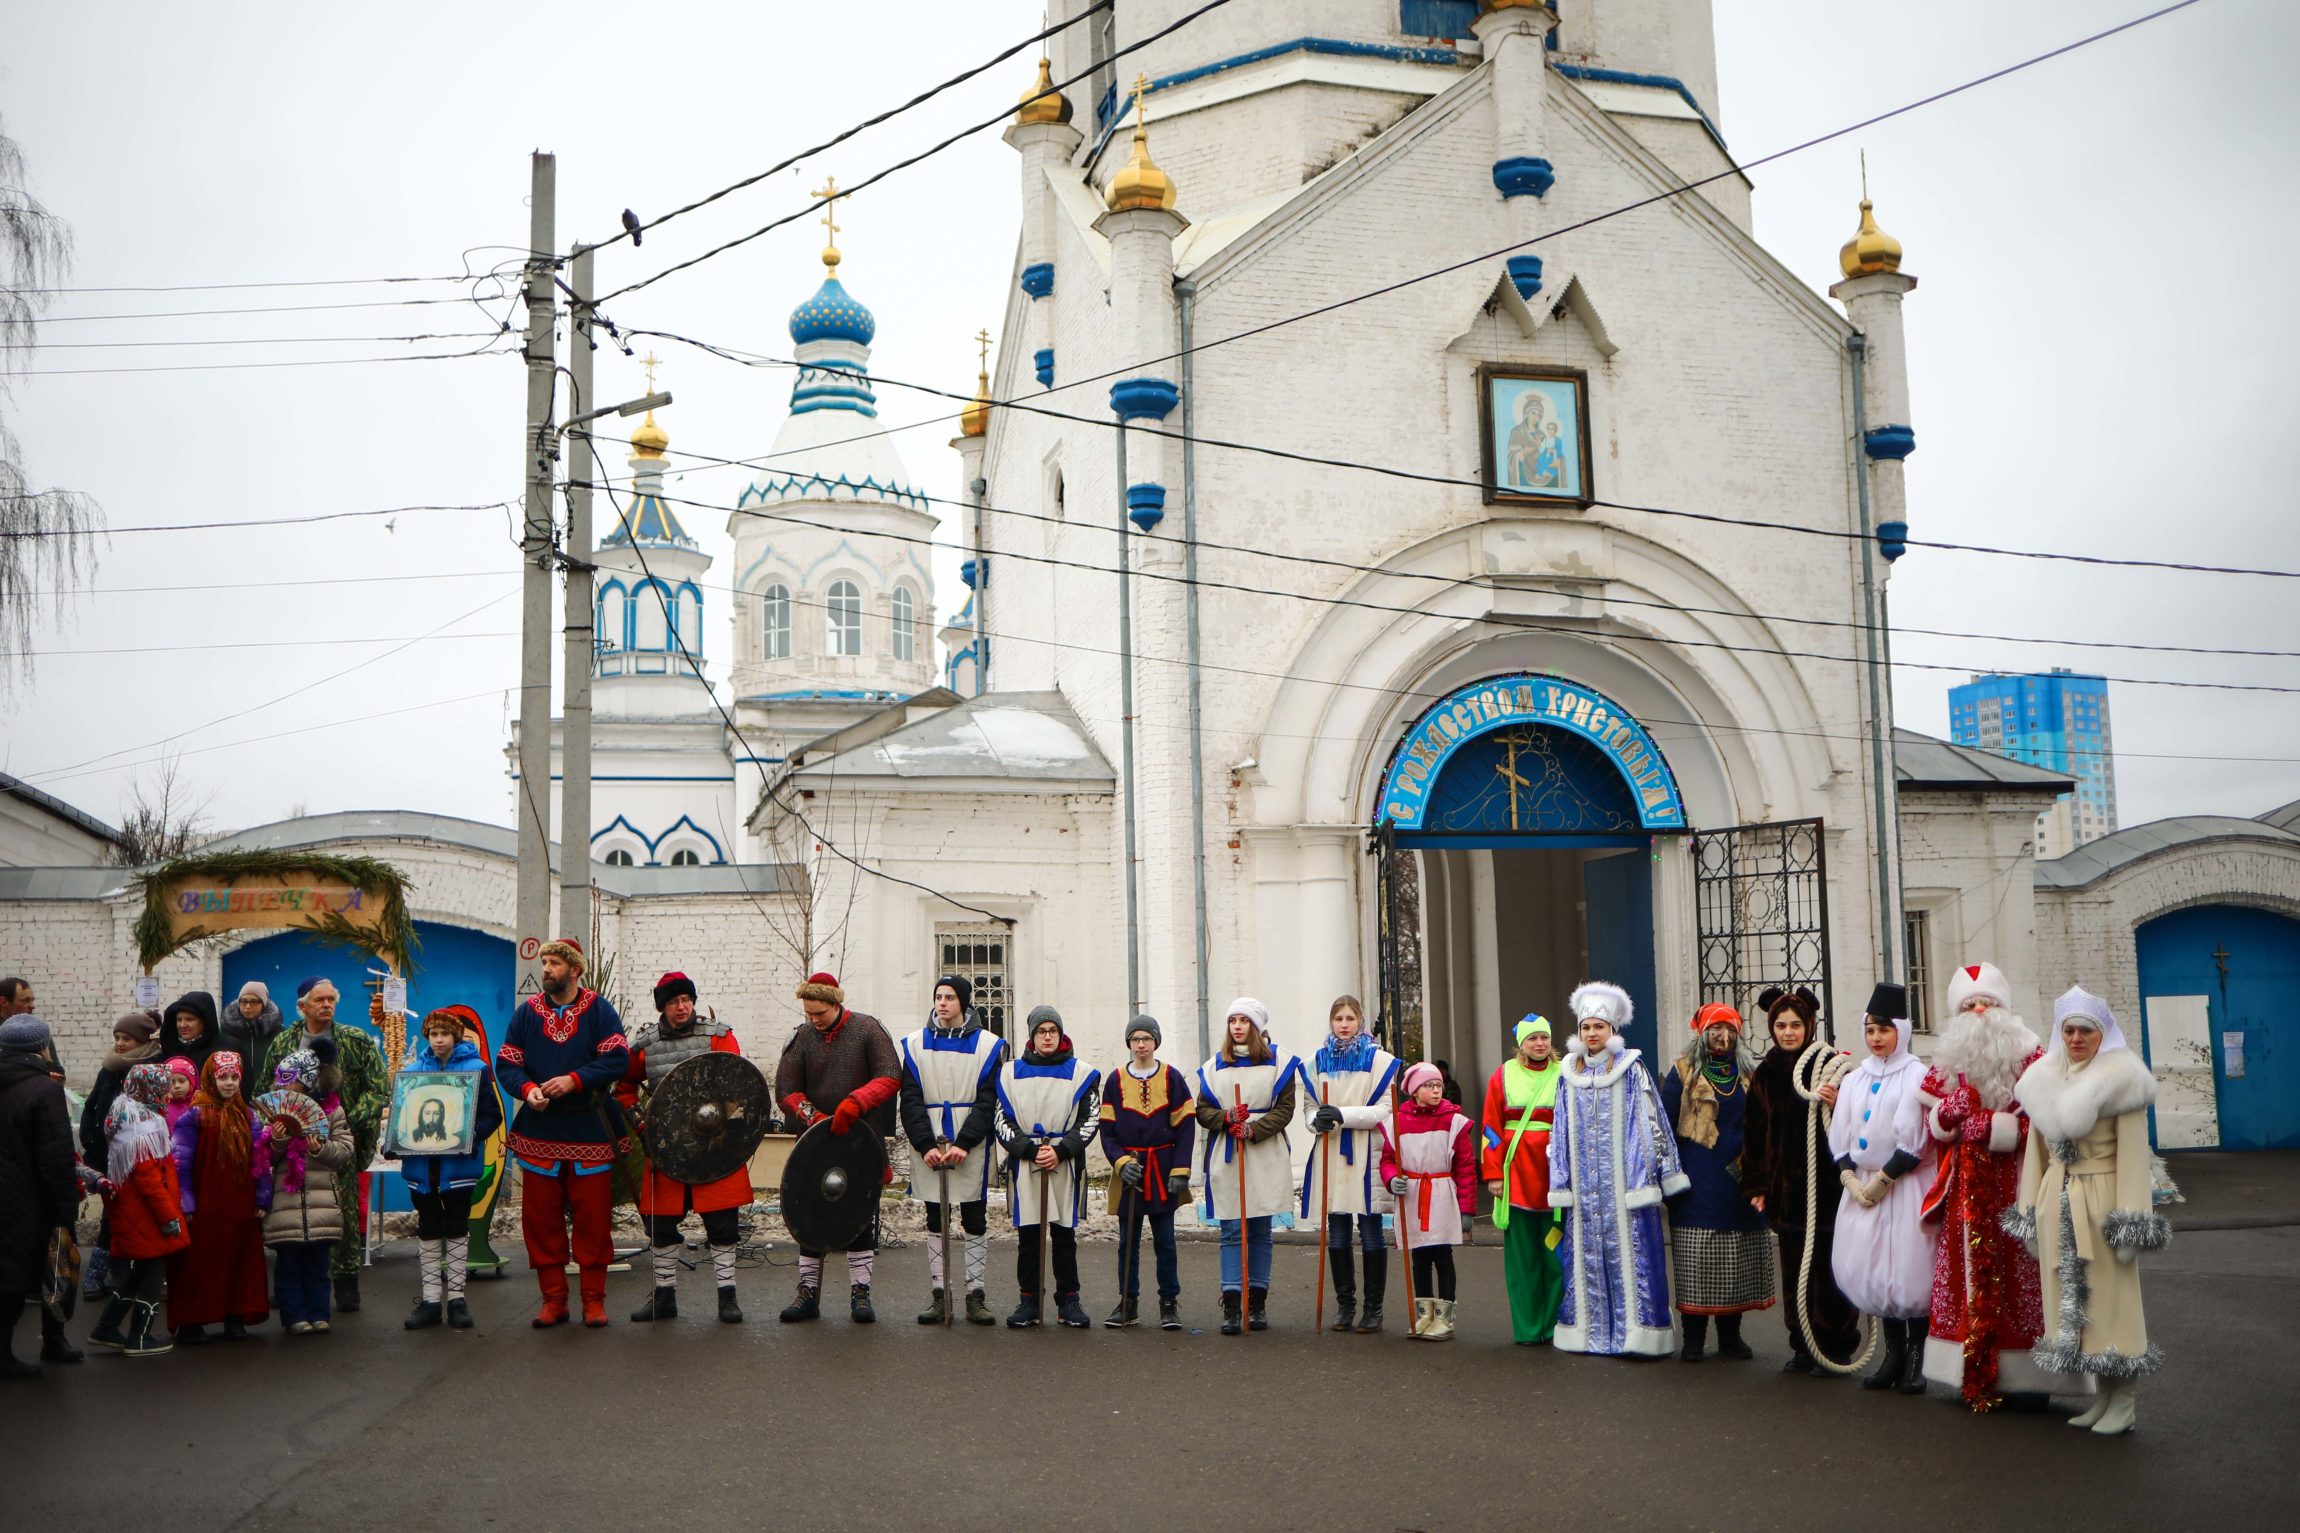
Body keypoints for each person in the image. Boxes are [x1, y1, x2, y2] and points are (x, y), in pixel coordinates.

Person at [2006, 986, 2168, 1436]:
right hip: (2056, 1202)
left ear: (2103, 1034)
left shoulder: (2122, 1081)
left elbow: (2133, 1158)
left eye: (2086, 1031)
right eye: (2069, 1030)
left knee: (2113, 1300)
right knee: (2077, 1307)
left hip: (2102, 1201)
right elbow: (2036, 1156)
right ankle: (2104, 1397)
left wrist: (2130, 1223)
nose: (2076, 1038)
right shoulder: (2042, 1079)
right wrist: (2030, 1209)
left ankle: (2125, 1399)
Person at [1917, 961, 2052, 1409]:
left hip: (2019, 1181)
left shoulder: (2032, 1055)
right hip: (1966, 1187)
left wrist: (1997, 1128)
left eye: (1986, 1003)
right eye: (1969, 1005)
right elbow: (1932, 1125)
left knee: (2023, 1274)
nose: (1978, 1012)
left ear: (2004, 1009)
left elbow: (2049, 1119)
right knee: (1967, 1271)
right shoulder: (1948, 1060)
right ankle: (1969, 1369)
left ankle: (2030, 1378)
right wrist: (1947, 1115)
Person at [490, 940, 631, 1328]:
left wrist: (574, 1080)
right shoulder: (527, 1013)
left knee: (593, 1219)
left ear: (575, 970)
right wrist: (527, 1090)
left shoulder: (599, 1010)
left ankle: (593, 1302)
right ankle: (554, 1301)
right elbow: (508, 1063)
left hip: (590, 1128)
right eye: (545, 962)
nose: (546, 969)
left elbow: (617, 1059)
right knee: (540, 1218)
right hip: (541, 1129)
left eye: (554, 962)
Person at [1548, 981, 1686, 1358]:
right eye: (1586, 1027)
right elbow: (1559, 1128)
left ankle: (1638, 1336)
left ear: (1612, 1030)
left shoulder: (1631, 1070)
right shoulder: (1568, 1074)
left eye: (1599, 1027)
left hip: (1625, 1186)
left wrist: (1645, 1178)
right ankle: (1588, 1334)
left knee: (1634, 1259)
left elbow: (1648, 1123)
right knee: (1586, 1260)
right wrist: (1561, 1180)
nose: (1592, 1034)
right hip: (1584, 1191)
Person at [619, 972, 755, 1325]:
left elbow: (738, 1082)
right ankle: (664, 1297)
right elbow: (624, 1089)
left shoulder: (718, 1036)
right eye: (673, 1002)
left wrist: (730, 1129)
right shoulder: (645, 1045)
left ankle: (727, 1297)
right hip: (668, 1148)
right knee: (660, 1225)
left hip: (715, 1146)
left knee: (723, 1225)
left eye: (686, 1000)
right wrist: (643, 1125)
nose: (681, 1007)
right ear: (662, 1007)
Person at [1743, 985, 1860, 1374]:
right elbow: (1754, 1133)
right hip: (1787, 1191)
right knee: (1796, 1271)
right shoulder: (1766, 1074)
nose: (1788, 1032)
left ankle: (1836, 1345)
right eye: (1781, 1025)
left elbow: (1861, 1122)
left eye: (1795, 1024)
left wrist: (1839, 1103)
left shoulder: (1832, 1067)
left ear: (1809, 1024)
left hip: (1829, 1189)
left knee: (1831, 1270)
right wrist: (1757, 1185)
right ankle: (1803, 1345)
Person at [773, 971, 900, 1325]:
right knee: (808, 1216)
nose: (814, 1019)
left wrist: (855, 1103)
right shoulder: (802, 1037)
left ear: (835, 1004)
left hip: (860, 1139)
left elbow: (890, 1075)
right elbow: (786, 1089)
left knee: (858, 1216)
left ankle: (861, 1293)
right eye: (808, 1013)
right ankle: (807, 1293)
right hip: (815, 1142)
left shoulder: (867, 1029)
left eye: (819, 1013)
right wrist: (813, 1117)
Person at [1827, 983, 1934, 1393]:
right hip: (1862, 1185)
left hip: (1903, 1186)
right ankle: (1893, 1354)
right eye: (1870, 1030)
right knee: (1875, 1269)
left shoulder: (1917, 1075)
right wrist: (1850, 1178)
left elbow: (1917, 1140)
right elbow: (1841, 1133)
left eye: (1885, 1029)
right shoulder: (1856, 1079)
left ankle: (1917, 1359)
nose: (1876, 1038)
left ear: (1901, 1031)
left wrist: (1884, 1180)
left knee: (1909, 1268)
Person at [258, 977, 387, 1314]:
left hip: (339, 1140)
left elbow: (378, 1090)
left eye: (331, 999)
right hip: (289, 1147)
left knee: (342, 1212)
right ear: (302, 1006)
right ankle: (291, 1286)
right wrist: (276, 1126)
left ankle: (345, 1283)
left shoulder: (355, 1040)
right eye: (320, 1000)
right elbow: (264, 1090)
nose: (327, 1005)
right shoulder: (284, 1041)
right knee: (291, 1211)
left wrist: (349, 1123)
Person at [1659, 1003, 1776, 1362]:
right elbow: (1664, 1127)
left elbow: (1766, 1123)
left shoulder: (1750, 1074)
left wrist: (1761, 1172)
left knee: (1735, 1261)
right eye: (1715, 1030)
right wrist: (1667, 1175)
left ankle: (1730, 1335)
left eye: (1730, 1031)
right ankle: (1694, 1337)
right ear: (1702, 1034)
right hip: (1697, 1181)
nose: (1723, 1037)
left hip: (1740, 1178)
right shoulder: (1682, 1072)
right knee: (1696, 1260)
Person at [897, 974, 1006, 1326]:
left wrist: (964, 1142)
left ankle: (976, 1294)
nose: (942, 1003)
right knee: (936, 1218)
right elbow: (910, 1099)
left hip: (969, 1143)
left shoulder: (987, 1045)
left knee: (974, 1218)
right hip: (930, 1141)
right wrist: (925, 1144)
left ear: (963, 1002)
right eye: (938, 997)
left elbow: (988, 1100)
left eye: (949, 997)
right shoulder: (916, 1044)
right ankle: (939, 1294)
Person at [1194, 997, 1301, 1336]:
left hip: (1264, 1150)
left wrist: (1254, 1129)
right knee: (1230, 1229)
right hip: (1228, 1151)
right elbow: (1202, 1111)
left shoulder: (1279, 1062)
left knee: (1259, 1229)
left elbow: (1285, 1109)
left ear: (1256, 1026)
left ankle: (1257, 1302)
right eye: (1232, 1020)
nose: (1237, 1026)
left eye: (1244, 1020)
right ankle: (1231, 1303)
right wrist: (1226, 1117)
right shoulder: (1214, 1066)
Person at [390, 1006, 501, 1331]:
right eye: (433, 1034)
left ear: (456, 1036)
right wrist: (394, 1139)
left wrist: (469, 1136)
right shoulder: (413, 1072)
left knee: (455, 1226)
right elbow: (402, 1115)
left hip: (458, 1166)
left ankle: (457, 1300)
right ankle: (429, 1301)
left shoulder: (477, 1069)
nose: (439, 1040)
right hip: (423, 1168)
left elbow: (492, 1115)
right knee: (427, 1227)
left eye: (445, 1034)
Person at [995, 1005, 1100, 1329]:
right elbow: (1002, 1119)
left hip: (1063, 1162)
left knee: (1064, 1234)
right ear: (1032, 1036)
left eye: (1053, 1031)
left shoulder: (1081, 1072)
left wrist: (1062, 1150)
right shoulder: (1011, 1073)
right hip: (1028, 1161)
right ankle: (1029, 1299)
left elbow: (1089, 1119)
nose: (1048, 1037)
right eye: (1041, 1031)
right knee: (1029, 1234)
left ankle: (1068, 1300)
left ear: (1061, 1034)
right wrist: (1028, 1150)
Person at [1301, 994, 1400, 1333]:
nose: (1344, 1025)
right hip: (1331, 1150)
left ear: (1360, 1020)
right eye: (1338, 1018)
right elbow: (1310, 1107)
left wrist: (1342, 1114)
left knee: (1370, 1230)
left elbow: (1385, 1110)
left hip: (1366, 1150)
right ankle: (1346, 1305)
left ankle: (1373, 1309)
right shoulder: (1316, 1061)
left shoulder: (1380, 1061)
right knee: (1338, 1231)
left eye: (1350, 1018)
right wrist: (1316, 1121)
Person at [1096, 1013, 1194, 1330]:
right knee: (1128, 1243)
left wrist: (1180, 1169)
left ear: (1155, 1042)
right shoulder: (1114, 1081)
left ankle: (1169, 1303)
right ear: (1129, 1043)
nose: (1141, 1044)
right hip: (1131, 1171)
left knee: (1165, 1241)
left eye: (1147, 1038)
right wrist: (1121, 1162)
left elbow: (1185, 1127)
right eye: (1136, 1039)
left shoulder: (1172, 1077)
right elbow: (1107, 1131)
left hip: (1162, 1170)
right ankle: (1128, 1302)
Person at [166, 1052, 270, 1344]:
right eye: (223, 1077)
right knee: (200, 1262)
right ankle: (192, 1321)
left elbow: (259, 1160)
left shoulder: (248, 1115)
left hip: (240, 1203)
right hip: (205, 1203)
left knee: (240, 1260)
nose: (229, 1083)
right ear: (211, 1078)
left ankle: (235, 1316)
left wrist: (262, 1198)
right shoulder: (193, 1116)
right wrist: (186, 1201)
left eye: (235, 1077)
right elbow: (180, 1163)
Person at [86, 1062, 188, 1358]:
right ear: (149, 1090)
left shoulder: (128, 1116)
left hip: (135, 1213)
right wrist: (169, 1217)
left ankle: (106, 1328)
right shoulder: (142, 1127)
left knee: (139, 1271)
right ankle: (140, 1336)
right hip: (147, 1215)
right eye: (164, 1088)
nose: (168, 1094)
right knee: (153, 1271)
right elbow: (150, 1181)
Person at [1, 1015, 81, 1378]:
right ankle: (47, 1342)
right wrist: (66, 1207)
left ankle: (50, 1342)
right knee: (53, 1266)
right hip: (33, 1198)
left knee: (10, 1274)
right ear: (43, 1046)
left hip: (11, 1195)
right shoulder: (44, 1089)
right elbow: (55, 1155)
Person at [259, 1048, 356, 1335]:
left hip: (321, 1204)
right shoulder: (274, 1113)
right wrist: (278, 1141)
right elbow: (262, 1159)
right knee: (288, 1265)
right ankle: (294, 1317)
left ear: (308, 1081)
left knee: (318, 1264)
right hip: (285, 1204)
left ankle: (319, 1313)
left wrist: (321, 1149)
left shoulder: (333, 1112)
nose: (284, 1086)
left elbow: (344, 1150)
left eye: (290, 1079)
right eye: (280, 1079)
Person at [1482, 1014, 1565, 1345]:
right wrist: (1493, 1174)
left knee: (1556, 1257)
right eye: (1532, 1038)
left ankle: (1556, 1327)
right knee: (1522, 1259)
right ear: (1521, 1043)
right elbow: (1491, 1128)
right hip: (1515, 1175)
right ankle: (1528, 1329)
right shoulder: (1502, 1075)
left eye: (1544, 1037)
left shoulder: (1566, 1072)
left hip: (1556, 1175)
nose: (1539, 1043)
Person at [1381, 1060, 1477, 1341]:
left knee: (1442, 1256)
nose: (1436, 1090)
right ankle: (1424, 1315)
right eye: (1429, 1085)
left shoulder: (1453, 1121)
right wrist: (1391, 1178)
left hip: (1441, 1194)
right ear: (1414, 1091)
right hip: (1412, 1195)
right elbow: (1387, 1160)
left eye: (1438, 1085)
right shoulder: (1397, 1123)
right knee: (1419, 1256)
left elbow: (1466, 1168)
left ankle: (1444, 1318)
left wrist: (1467, 1209)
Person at [78, 1011, 161, 1302]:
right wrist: (89, 1139)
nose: (120, 1043)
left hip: (137, 1157)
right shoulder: (110, 1068)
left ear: (142, 1040)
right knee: (113, 1212)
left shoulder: (151, 1068)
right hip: (105, 1155)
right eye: (117, 1037)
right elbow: (92, 1105)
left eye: (127, 1038)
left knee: (124, 1214)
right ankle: (111, 1272)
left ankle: (115, 1273)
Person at [221, 982, 284, 1080]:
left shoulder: (278, 1033)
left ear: (263, 1004)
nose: (248, 1006)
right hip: (235, 1087)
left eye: (254, 1002)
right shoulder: (227, 1031)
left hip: (268, 1088)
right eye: (243, 1001)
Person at [159, 990, 219, 1077]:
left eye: (189, 1019)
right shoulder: (171, 1049)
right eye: (179, 1020)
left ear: (205, 1021)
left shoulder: (222, 1050)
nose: (182, 1025)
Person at [162, 1057, 199, 1128]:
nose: (177, 1086)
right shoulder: (163, 1110)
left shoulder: (202, 1105)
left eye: (182, 1081)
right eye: (171, 1082)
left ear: (192, 1081)